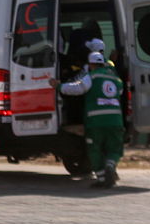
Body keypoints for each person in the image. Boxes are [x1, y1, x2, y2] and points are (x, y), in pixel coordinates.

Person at [51, 50, 124, 188]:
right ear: (102, 63)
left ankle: (102, 178)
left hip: (95, 121)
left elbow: (78, 88)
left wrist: (59, 86)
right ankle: (110, 165)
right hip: (115, 120)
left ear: (90, 64)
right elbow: (120, 91)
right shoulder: (115, 78)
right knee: (115, 147)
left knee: (94, 149)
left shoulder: (91, 76)